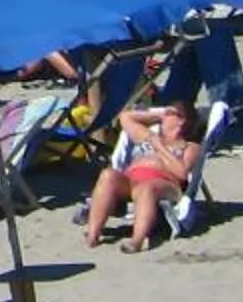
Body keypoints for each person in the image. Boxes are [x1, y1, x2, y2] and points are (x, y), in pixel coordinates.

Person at [83, 98, 199, 253]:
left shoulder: (190, 147)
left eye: (170, 113)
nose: (164, 116)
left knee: (148, 187)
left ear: (181, 121)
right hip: (131, 181)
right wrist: (159, 113)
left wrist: (160, 149)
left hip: (165, 184)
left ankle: (137, 241)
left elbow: (182, 173)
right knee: (108, 175)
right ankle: (93, 234)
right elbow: (126, 117)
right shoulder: (148, 136)